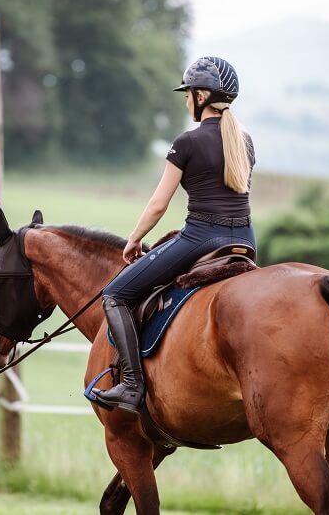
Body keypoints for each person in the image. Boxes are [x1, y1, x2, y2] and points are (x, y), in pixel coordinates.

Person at [92, 56, 256, 414]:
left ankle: (131, 386)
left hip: (201, 238)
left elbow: (157, 205)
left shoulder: (187, 142)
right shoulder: (244, 141)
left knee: (115, 293)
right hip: (245, 241)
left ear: (201, 96)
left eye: (188, 94)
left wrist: (134, 239)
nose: (185, 101)